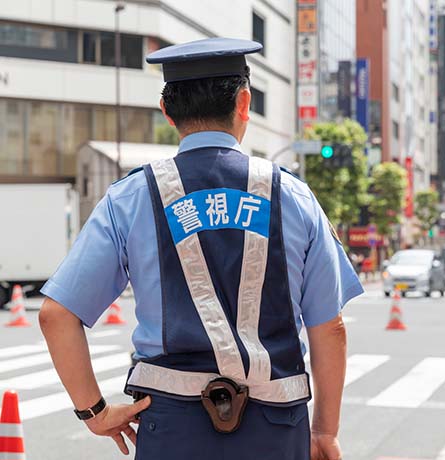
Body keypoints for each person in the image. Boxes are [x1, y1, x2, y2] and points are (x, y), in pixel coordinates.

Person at [38, 37, 363, 460]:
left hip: (171, 428)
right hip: (278, 430)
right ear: (244, 103)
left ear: (167, 112)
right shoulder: (293, 196)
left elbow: (56, 314)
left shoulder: (133, 197)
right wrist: (323, 432)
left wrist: (95, 411)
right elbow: (330, 328)